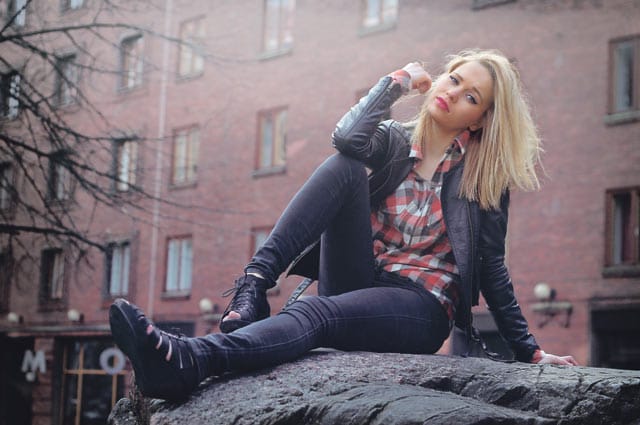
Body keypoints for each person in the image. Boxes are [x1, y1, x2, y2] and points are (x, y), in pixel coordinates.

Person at [109, 49, 577, 401]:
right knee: (345, 165)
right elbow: (348, 138)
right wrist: (396, 81)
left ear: (479, 120)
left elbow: (492, 268)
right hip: (360, 279)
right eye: (453, 79)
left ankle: (192, 359)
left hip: (419, 305)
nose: (452, 93)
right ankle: (253, 285)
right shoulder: (393, 143)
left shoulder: (482, 180)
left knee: (316, 314)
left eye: (470, 96)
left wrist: (530, 351)